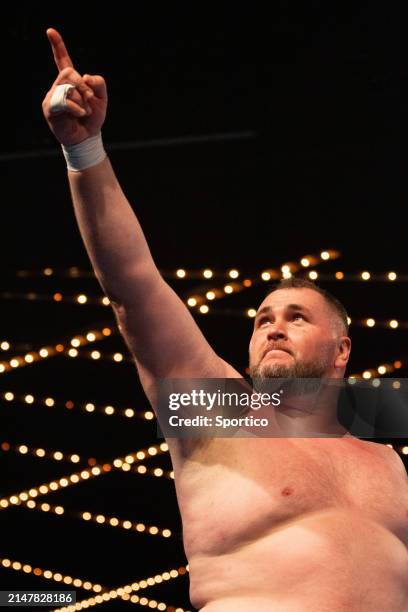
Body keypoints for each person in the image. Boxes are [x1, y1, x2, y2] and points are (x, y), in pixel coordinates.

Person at [43, 28, 408, 611]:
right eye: (263, 318)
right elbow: (133, 288)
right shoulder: (216, 410)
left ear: (342, 350)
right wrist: (83, 150)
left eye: (295, 317)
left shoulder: (389, 462)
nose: (272, 326)